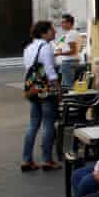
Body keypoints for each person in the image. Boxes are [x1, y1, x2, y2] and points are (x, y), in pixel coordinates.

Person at [22, 20, 61, 171]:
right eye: (52, 30)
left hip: (33, 90)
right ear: (44, 32)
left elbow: (28, 70)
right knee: (48, 123)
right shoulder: (45, 47)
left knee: (33, 124)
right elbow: (50, 73)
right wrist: (58, 91)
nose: (55, 32)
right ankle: (47, 159)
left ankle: (26, 159)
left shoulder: (29, 47)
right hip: (45, 91)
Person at [54, 14, 81, 88]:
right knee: (67, 85)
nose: (61, 24)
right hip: (70, 62)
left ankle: (70, 99)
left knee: (68, 86)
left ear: (69, 23)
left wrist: (59, 53)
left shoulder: (71, 34)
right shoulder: (71, 33)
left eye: (63, 22)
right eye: (61, 22)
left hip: (69, 63)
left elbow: (73, 50)